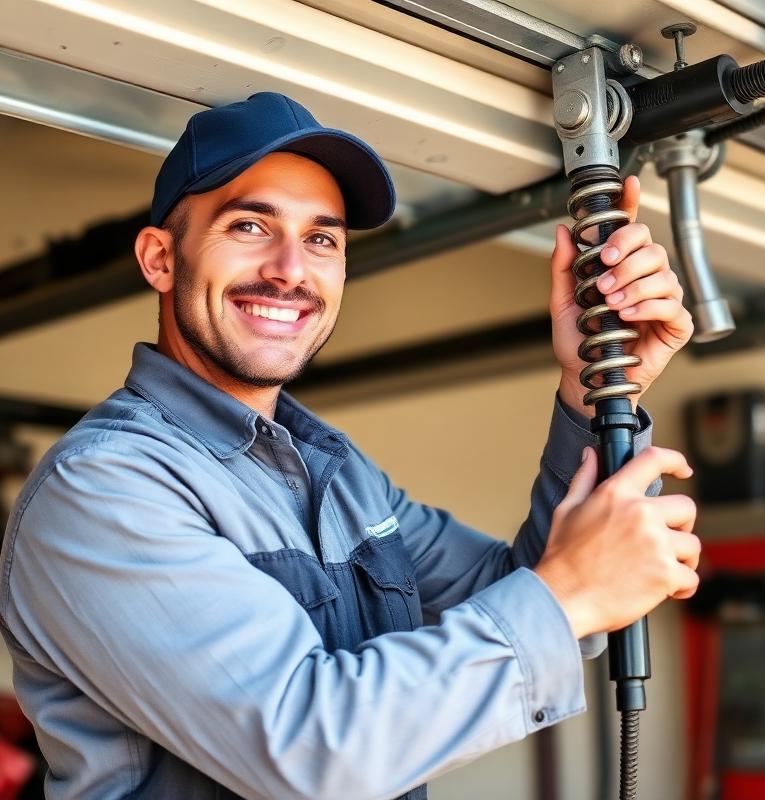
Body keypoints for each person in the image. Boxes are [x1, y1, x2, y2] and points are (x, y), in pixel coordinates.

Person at [0, 92, 698, 800]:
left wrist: (598, 386)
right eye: (249, 225)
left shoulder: (339, 476)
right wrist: (571, 592)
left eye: (322, 238)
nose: (289, 270)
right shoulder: (104, 488)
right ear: (159, 257)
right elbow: (312, 751)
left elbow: (537, 592)